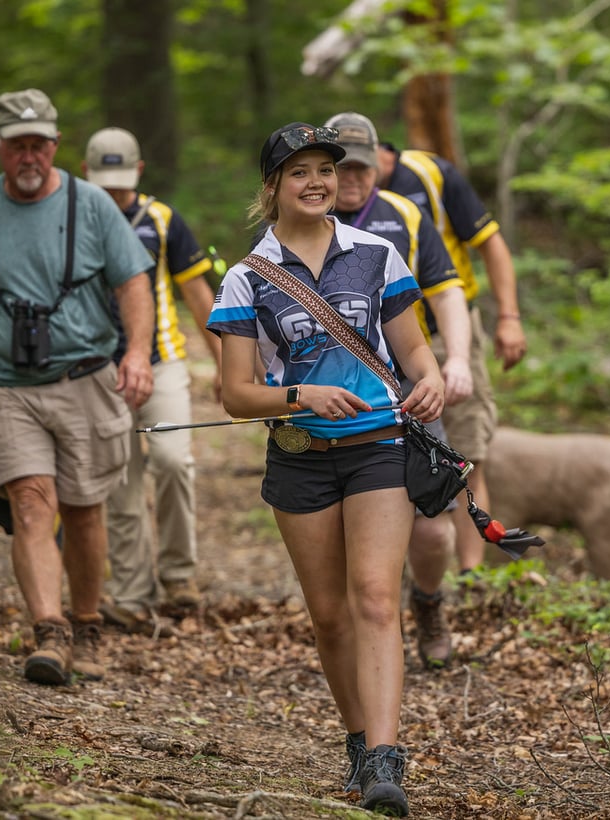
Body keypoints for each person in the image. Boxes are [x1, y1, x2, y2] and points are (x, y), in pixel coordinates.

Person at [207, 122, 445, 816]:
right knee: (331, 616)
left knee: (375, 597)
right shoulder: (246, 277)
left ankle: (384, 761)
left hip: (380, 446)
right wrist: (299, 395)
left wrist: (427, 382)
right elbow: (235, 395)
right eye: (299, 172)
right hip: (301, 456)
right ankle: (356, 738)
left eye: (326, 171)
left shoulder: (378, 254)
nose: (317, 183)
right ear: (273, 187)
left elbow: (413, 351)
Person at [0, 89, 155, 686]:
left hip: (85, 378)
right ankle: (48, 632)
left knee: (83, 510)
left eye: (40, 144)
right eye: (17, 145)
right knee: (30, 503)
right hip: (4, 387)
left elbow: (133, 284)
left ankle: (87, 623)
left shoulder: (94, 207)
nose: (30, 156)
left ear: (55, 146)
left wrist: (135, 353)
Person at [325, 112, 471, 671]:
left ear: (378, 167)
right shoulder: (303, 220)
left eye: (362, 167)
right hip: (332, 389)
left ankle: (429, 602)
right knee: (339, 518)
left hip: (409, 386)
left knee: (433, 528)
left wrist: (455, 360)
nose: (353, 178)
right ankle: (351, 629)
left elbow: (447, 289)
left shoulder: (404, 216)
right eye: (344, 167)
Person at [82, 127, 220, 624]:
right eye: (105, 182)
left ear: (138, 173)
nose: (114, 192)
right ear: (86, 175)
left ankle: (179, 572)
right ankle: (133, 592)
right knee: (119, 477)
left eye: (122, 181)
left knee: (171, 458)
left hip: (162, 362)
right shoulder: (76, 217)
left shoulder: (161, 220)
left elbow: (197, 292)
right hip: (98, 370)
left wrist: (224, 364)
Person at [377, 138, 529, 578]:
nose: (351, 176)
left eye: (365, 165)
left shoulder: (433, 175)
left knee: (462, 450)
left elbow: (491, 243)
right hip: (371, 346)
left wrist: (510, 317)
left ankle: (470, 570)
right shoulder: (331, 196)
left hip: (446, 330)